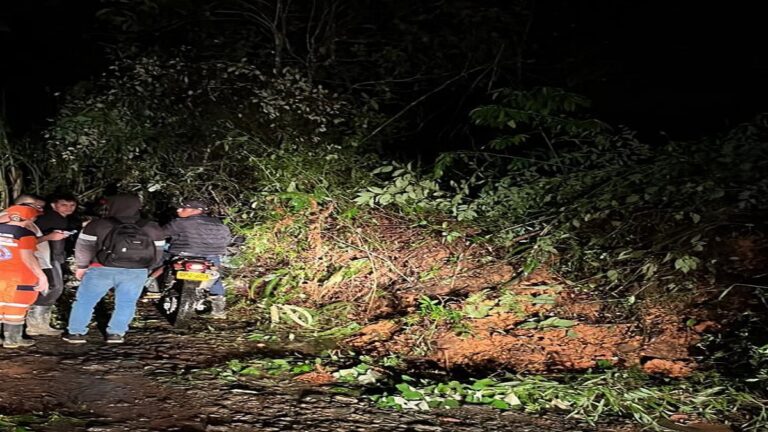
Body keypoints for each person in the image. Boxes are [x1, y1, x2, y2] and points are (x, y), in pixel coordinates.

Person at [63, 194, 165, 344]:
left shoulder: (98, 224)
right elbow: (158, 253)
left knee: (85, 301)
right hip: (136, 271)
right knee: (127, 302)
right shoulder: (152, 227)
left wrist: (82, 267)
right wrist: (146, 268)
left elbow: (83, 247)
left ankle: (76, 333)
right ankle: (116, 334)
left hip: (101, 268)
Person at [11, 195, 70, 335]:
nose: (40, 210)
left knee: (51, 288)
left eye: (41, 207)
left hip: (40, 259)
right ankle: (27, 328)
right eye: (37, 206)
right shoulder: (14, 220)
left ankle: (36, 325)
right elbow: (20, 245)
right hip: (27, 262)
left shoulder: (29, 221)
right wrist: (49, 237)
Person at [163, 199, 232, 318]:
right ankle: (218, 306)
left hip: (184, 253)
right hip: (211, 255)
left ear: (195, 211)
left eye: (183, 208)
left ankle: (156, 285)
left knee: (161, 253)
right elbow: (227, 240)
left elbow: (161, 233)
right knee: (214, 275)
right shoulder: (218, 223)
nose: (178, 210)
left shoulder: (180, 222)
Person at [0, 205, 49, 348]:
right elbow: (28, 258)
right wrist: (42, 276)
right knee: (16, 307)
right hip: (19, 277)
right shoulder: (25, 234)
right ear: (30, 219)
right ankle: (13, 339)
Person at [34, 193, 80, 332]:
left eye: (72, 205)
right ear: (54, 205)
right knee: (53, 287)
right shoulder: (52, 218)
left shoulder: (61, 219)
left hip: (53, 257)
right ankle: (36, 324)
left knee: (54, 286)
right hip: (47, 257)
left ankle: (39, 323)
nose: (68, 208)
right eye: (64, 205)